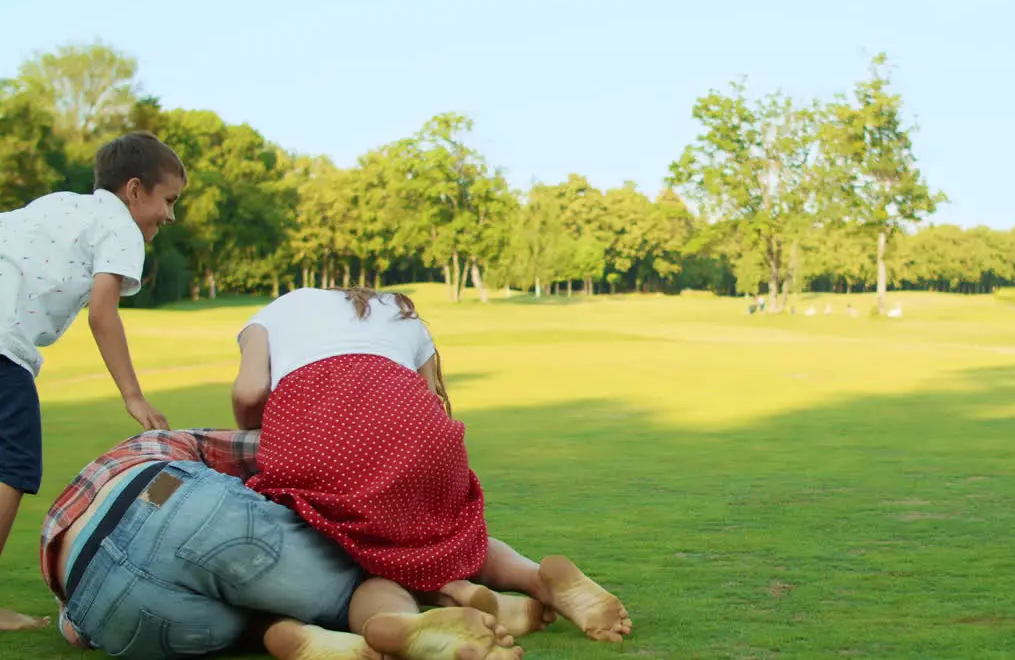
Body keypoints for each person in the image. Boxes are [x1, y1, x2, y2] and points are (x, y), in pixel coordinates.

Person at [233, 287, 632, 641]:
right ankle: (533, 578)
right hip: (423, 439)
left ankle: (404, 621)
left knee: (354, 561)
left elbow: (250, 392)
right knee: (448, 536)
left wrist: (267, 425)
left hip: (325, 446)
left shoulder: (279, 308)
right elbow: (428, 399)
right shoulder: (399, 310)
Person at [40, 427, 525, 659]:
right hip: (160, 493)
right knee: (355, 580)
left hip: (96, 599)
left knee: (243, 618)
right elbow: (275, 453)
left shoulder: (62, 521)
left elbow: (75, 632)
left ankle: (283, 637)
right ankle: (398, 621)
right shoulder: (160, 441)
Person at [0, 131, 183, 631]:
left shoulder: (60, 204)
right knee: (13, 463)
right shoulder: (120, 226)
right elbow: (102, 314)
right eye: (168, 200)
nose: (169, 216)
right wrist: (133, 395)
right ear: (134, 190)